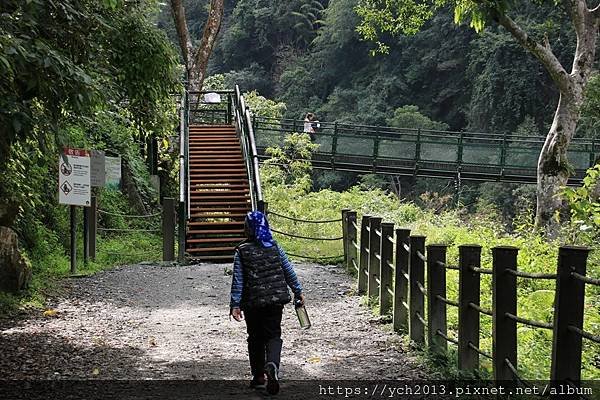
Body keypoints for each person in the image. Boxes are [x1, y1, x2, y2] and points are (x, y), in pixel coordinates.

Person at [230, 211, 305, 395]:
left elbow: (238, 280)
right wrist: (298, 290)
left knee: (255, 337)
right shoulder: (274, 246)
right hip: (275, 299)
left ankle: (258, 377)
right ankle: (272, 364)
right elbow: (288, 269)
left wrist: (235, 304)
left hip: (253, 302)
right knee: (273, 335)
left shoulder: (242, 250)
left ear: (247, 229)